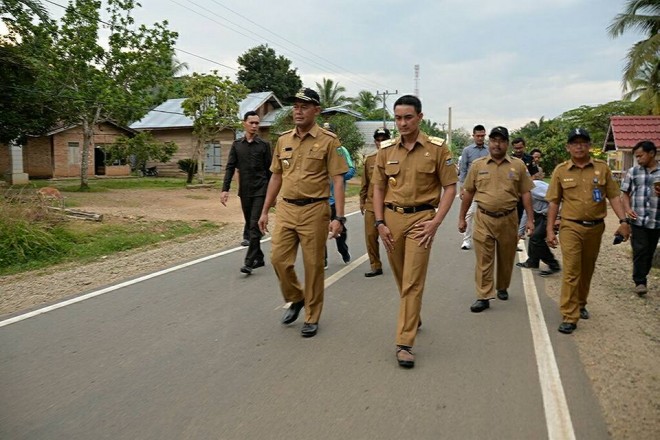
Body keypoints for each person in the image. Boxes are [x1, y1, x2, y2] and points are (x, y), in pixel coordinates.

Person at [372, 95, 457, 368]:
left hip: (421, 220)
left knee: (412, 280)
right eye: (398, 118)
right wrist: (379, 222)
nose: (402, 123)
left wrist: (436, 222)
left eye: (408, 117)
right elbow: (378, 188)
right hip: (392, 219)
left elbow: (451, 188)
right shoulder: (386, 150)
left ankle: (404, 342)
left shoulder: (438, 149)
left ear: (420, 117)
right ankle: (413, 315)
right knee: (400, 276)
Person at [258, 88, 348, 338]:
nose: (298, 111)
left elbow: (338, 180)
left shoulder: (329, 141)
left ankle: (312, 315)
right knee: (278, 259)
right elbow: (276, 175)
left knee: (314, 266)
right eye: (296, 106)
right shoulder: (283, 140)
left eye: (304, 106)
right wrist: (265, 210)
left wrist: (338, 217)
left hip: (314, 210)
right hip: (286, 208)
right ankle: (296, 297)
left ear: (316, 110)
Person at [546, 128, 630, 334]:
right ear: (568, 147)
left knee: (587, 268)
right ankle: (569, 315)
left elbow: (614, 196)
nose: (579, 146)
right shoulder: (561, 170)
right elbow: (554, 202)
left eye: (583, 142)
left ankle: (581, 303)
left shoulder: (602, 169)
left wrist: (624, 221)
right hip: (570, 226)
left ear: (589, 145)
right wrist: (549, 229)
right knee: (572, 270)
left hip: (595, 228)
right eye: (575, 143)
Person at [458, 126, 534, 313]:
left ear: (507, 144)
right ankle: (483, 296)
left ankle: (502, 286)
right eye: (493, 140)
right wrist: (462, 217)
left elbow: (525, 193)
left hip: (509, 218)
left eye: (501, 141)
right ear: (489, 142)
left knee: (506, 258)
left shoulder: (518, 166)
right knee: (484, 258)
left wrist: (530, 219)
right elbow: (468, 193)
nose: (496, 144)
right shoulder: (478, 165)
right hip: (484, 217)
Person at [221, 111, 272, 275]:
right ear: (244, 123)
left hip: (261, 190)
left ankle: (249, 262)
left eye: (257, 123)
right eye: (252, 123)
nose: (255, 126)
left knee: (254, 225)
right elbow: (230, 167)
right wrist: (225, 189)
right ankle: (260, 257)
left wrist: (273, 195)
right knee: (251, 224)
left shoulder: (264, 146)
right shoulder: (237, 145)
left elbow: (271, 172)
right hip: (245, 191)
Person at [621, 140, 660, 296]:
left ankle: (643, 274)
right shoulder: (633, 172)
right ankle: (640, 281)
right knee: (640, 249)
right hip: (637, 218)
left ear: (651, 154)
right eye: (636, 157)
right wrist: (628, 209)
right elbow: (625, 193)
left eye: (640, 156)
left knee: (649, 251)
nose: (638, 159)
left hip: (656, 219)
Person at [323, 122, 355, 268]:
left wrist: (337, 175)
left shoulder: (341, 151)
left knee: (339, 230)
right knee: (318, 231)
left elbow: (351, 170)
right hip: (319, 200)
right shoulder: (315, 150)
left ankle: (343, 250)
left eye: (329, 132)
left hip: (335, 199)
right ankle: (322, 259)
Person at [360, 127, 390, 277]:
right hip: (372, 204)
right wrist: (361, 201)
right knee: (371, 236)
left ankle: (400, 264)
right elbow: (364, 182)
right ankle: (375, 265)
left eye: (383, 139)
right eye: (378, 140)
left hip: (391, 205)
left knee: (394, 237)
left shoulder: (396, 158)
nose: (380, 142)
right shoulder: (370, 160)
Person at [516, 179, 561, 275]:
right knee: (533, 235)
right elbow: (527, 212)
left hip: (551, 215)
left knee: (536, 238)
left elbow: (556, 200)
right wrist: (520, 233)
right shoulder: (525, 194)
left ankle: (553, 265)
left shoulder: (535, 188)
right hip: (541, 214)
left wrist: (558, 218)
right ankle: (532, 261)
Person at [458, 124, 489, 250]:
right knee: (469, 213)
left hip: (486, 187)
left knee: (485, 213)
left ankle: (485, 239)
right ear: (473, 136)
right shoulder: (467, 150)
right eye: (478, 136)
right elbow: (463, 169)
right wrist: (462, 188)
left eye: (482, 136)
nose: (480, 138)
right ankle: (466, 240)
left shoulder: (489, 150)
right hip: (471, 187)